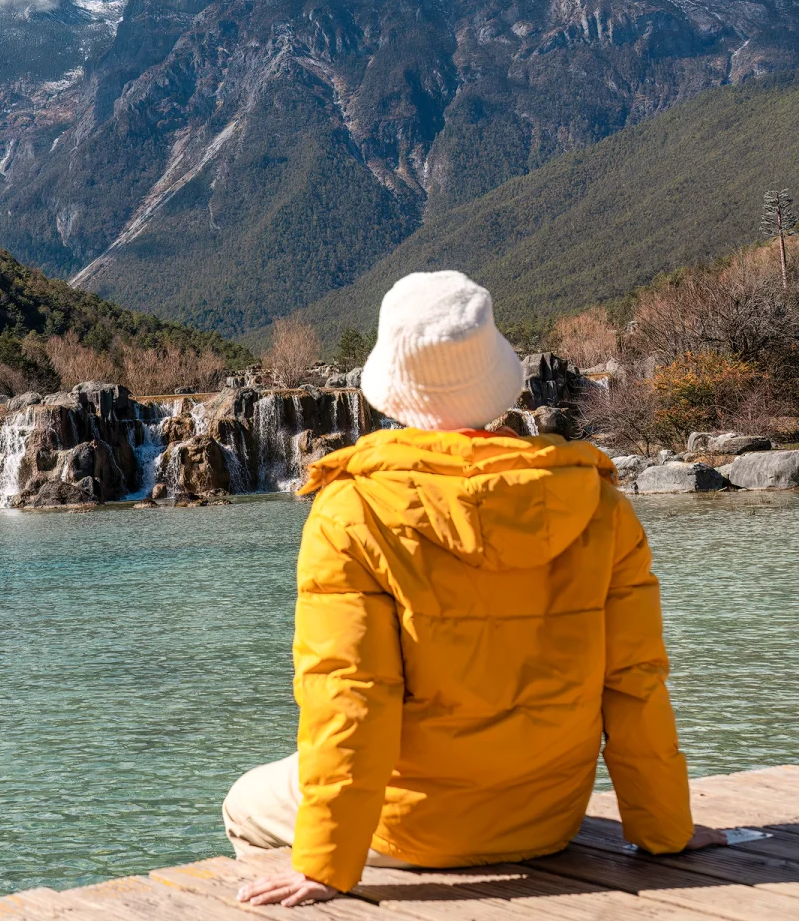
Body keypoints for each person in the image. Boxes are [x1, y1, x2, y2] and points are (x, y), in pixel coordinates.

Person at [224, 271, 724, 907]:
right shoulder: (598, 504)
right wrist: (666, 831)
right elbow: (636, 683)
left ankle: (318, 887)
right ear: (497, 380)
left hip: (415, 831)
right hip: (549, 821)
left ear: (390, 388)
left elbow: (349, 700)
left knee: (243, 800)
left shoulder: (353, 509)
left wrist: (324, 865)